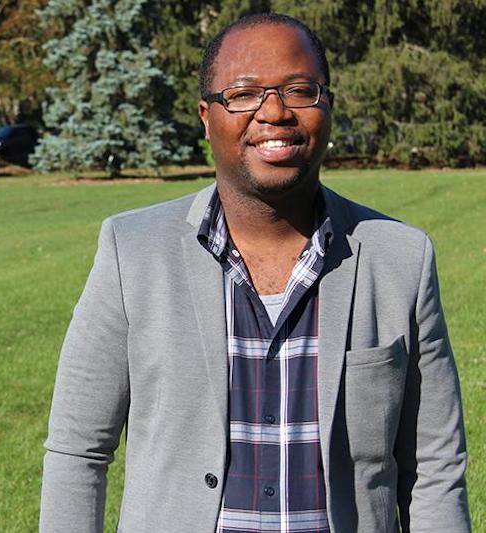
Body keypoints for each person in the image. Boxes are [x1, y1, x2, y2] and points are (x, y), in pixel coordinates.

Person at [40, 13, 470, 533]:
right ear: (206, 116)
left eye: (299, 89)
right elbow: (78, 449)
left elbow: (434, 466)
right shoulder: (132, 253)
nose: (274, 112)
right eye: (243, 94)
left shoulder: (400, 258)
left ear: (326, 104)